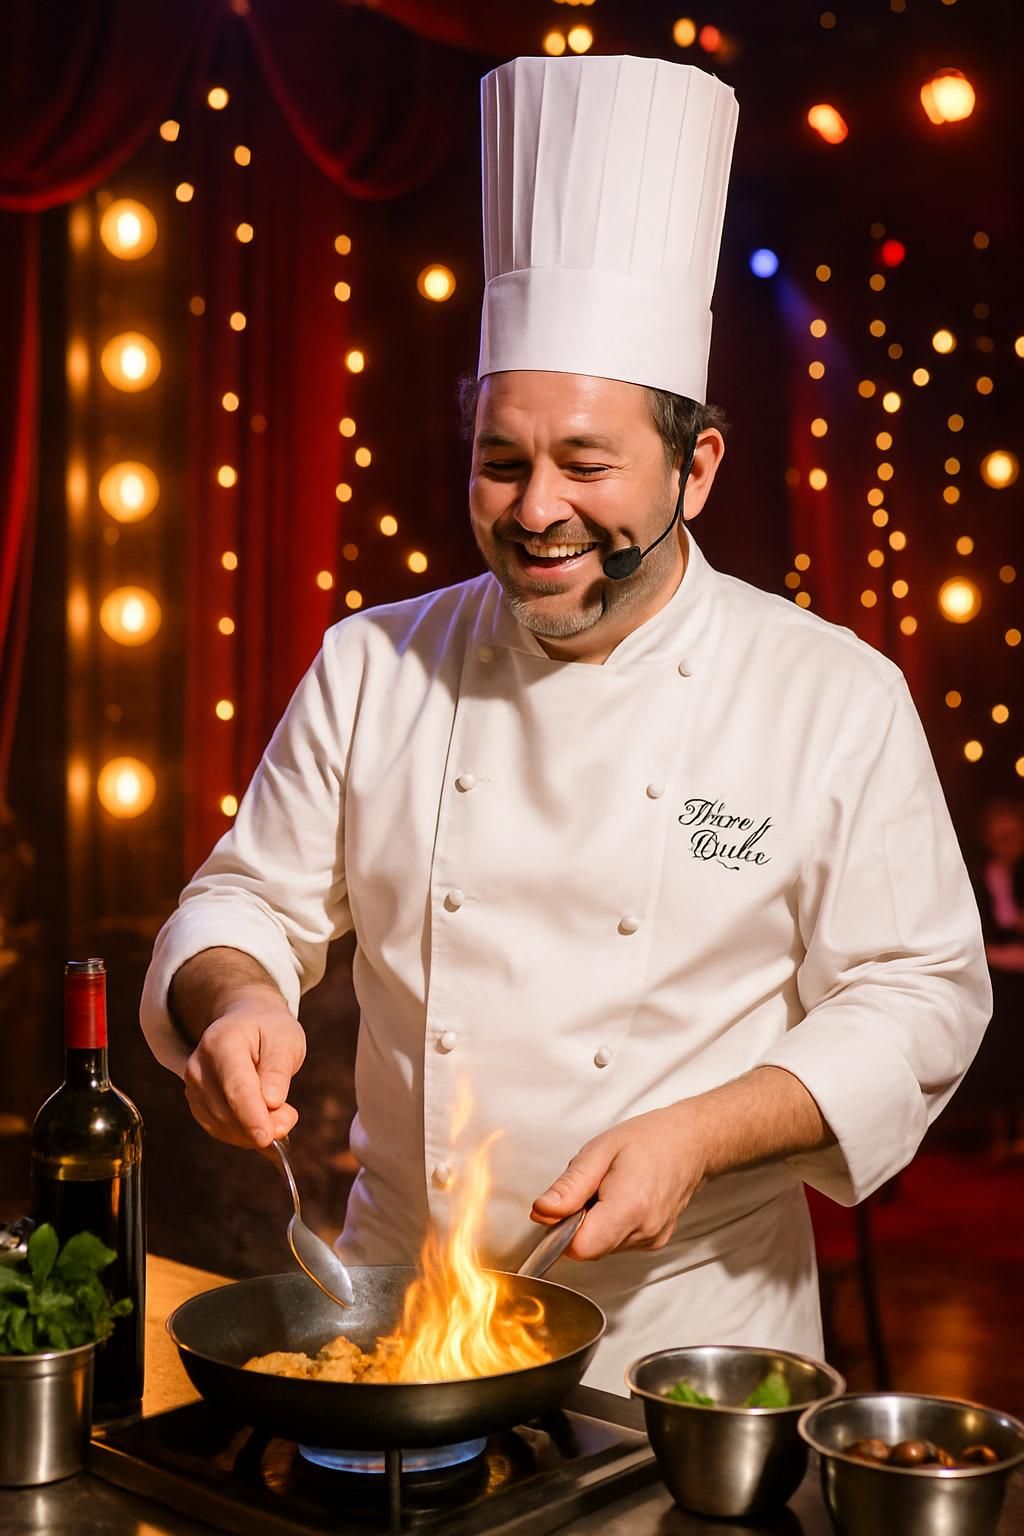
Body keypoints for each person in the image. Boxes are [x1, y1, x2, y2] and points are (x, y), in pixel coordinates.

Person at [140, 54, 990, 1392]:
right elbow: (244, 898)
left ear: (695, 466)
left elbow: (921, 995)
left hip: (686, 1341)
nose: (537, 508)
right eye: (502, 458)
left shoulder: (830, 693)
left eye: (588, 463)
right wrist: (235, 997)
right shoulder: (375, 663)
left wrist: (700, 1133)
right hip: (399, 1317)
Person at [966, 800, 1024, 1156]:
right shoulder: (978, 878)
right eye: (1001, 837)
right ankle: (999, 1138)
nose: (1009, 842)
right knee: (1000, 1052)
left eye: (1014, 835)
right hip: (995, 979)